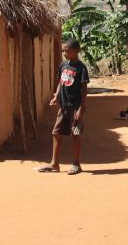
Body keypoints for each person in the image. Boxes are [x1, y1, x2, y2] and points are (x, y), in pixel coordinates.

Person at [38, 39, 90, 175]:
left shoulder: (81, 68)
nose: (64, 53)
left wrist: (81, 108)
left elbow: (84, 90)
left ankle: (76, 164)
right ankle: (54, 164)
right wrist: (56, 96)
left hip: (75, 106)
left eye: (66, 50)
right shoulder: (62, 66)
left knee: (75, 134)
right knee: (56, 133)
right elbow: (61, 82)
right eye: (64, 50)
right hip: (63, 105)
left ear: (75, 51)